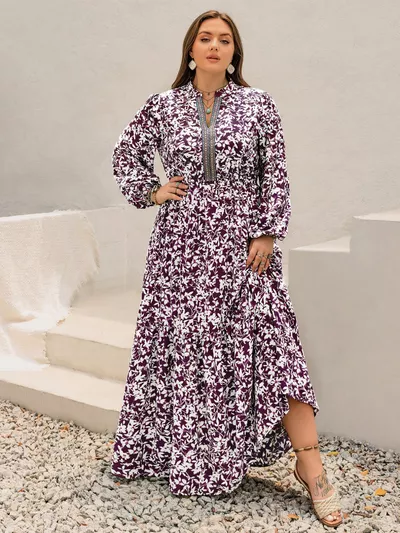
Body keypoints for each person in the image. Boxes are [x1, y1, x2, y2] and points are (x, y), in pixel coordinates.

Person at [110, 9, 343, 528]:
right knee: (191, 352)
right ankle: (196, 456)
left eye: (224, 39)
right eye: (205, 38)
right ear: (191, 49)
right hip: (181, 249)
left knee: (276, 349)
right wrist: (152, 192)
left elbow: (275, 173)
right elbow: (125, 155)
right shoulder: (162, 106)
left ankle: (313, 470)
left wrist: (267, 231)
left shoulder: (259, 104)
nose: (215, 46)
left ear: (235, 52)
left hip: (244, 247)